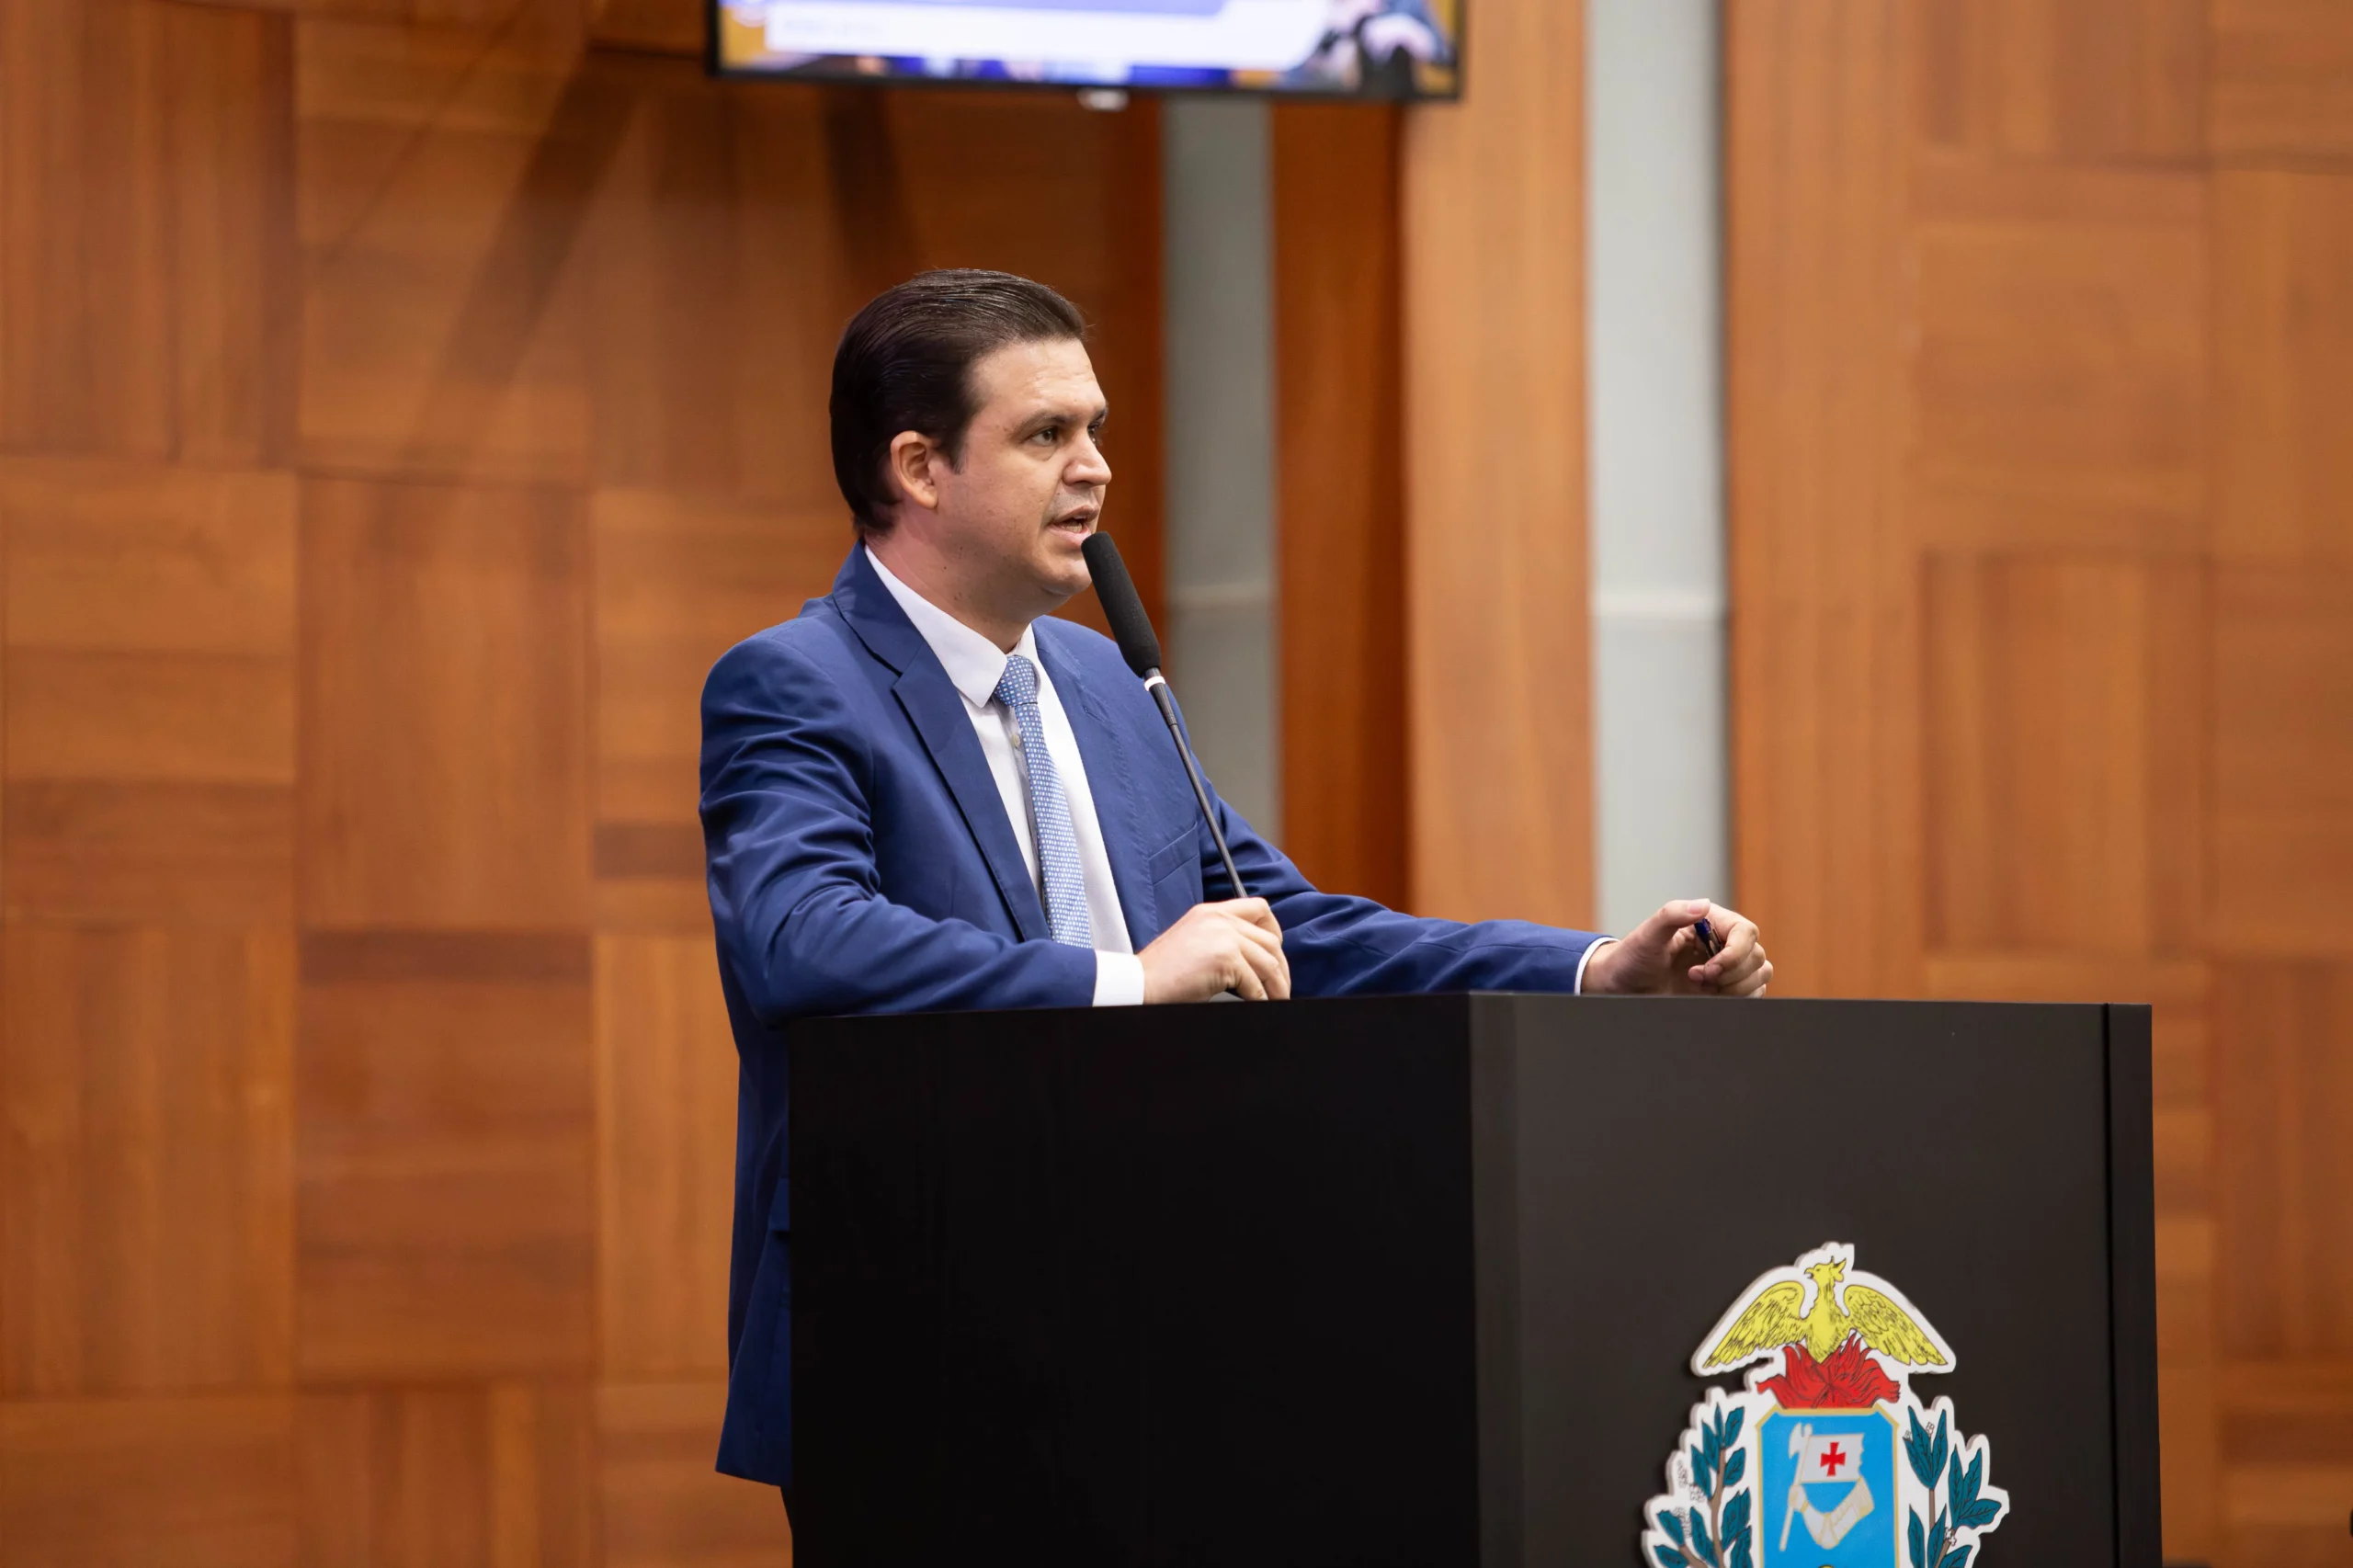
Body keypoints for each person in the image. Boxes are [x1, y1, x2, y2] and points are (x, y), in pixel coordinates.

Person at [699, 269, 1772, 1502]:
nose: (1094, 467)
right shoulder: (794, 683)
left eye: (1096, 428)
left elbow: (1288, 932)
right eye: (1047, 434)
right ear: (918, 467)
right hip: (921, 1327)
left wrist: (1592, 968)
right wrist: (1127, 979)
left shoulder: (1104, 682)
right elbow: (802, 939)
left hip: (1160, 1317)